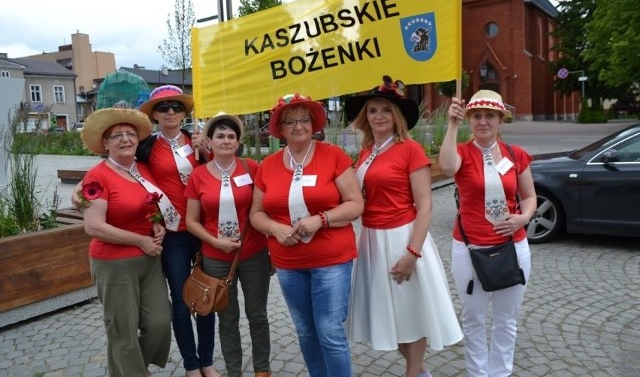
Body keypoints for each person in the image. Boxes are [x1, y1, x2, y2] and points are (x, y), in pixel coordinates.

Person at [344, 76, 463, 377]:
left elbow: (425, 206)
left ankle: (413, 373)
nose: (378, 116)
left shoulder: (411, 150)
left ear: (396, 116)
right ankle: (421, 372)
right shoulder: (367, 152)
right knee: (386, 313)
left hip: (402, 237)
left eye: (385, 110)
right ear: (365, 117)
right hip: (371, 239)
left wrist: (413, 252)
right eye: (372, 111)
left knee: (411, 312)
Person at [249, 93, 364, 377]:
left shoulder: (332, 155)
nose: (298, 126)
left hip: (331, 259)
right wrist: (275, 229)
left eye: (303, 119)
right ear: (280, 128)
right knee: (305, 330)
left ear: (314, 124)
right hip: (289, 263)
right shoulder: (269, 165)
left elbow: (355, 204)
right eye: (290, 121)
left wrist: (321, 219)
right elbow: (256, 214)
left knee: (329, 330)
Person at [439, 89, 536, 377]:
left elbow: (529, 196)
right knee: (474, 319)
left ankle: (501, 373)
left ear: (500, 120)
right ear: (470, 119)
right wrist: (452, 125)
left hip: (512, 247)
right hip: (470, 249)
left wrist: (524, 217)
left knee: (506, 320)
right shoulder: (462, 153)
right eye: (477, 116)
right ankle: (478, 374)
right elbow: (445, 167)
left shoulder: (515, 155)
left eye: (489, 116)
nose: (483, 122)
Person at [79, 108, 173, 377]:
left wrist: (157, 224)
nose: (125, 139)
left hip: (149, 259)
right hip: (113, 263)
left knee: (159, 323)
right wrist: (141, 241)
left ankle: (131, 367)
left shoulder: (142, 169)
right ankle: (133, 372)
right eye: (116, 135)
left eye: (130, 134)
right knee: (122, 329)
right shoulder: (97, 176)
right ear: (105, 143)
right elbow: (93, 226)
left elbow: (151, 202)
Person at [137, 85, 220, 377]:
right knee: (183, 299)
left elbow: (217, 178)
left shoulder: (197, 141)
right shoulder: (145, 147)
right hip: (173, 234)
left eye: (176, 107)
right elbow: (131, 180)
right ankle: (191, 364)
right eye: (163, 108)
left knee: (206, 296)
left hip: (203, 229)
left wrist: (207, 152)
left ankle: (207, 360)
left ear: (185, 112)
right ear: (155, 115)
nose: (170, 112)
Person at [185, 112, 272, 377]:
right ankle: (234, 371)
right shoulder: (198, 176)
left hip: (254, 253)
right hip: (215, 258)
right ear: (209, 142)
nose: (226, 141)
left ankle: (262, 370)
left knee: (257, 315)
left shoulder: (251, 169)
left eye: (231, 136)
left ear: (238, 142)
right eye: (220, 136)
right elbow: (191, 221)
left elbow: (265, 207)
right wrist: (214, 241)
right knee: (227, 318)